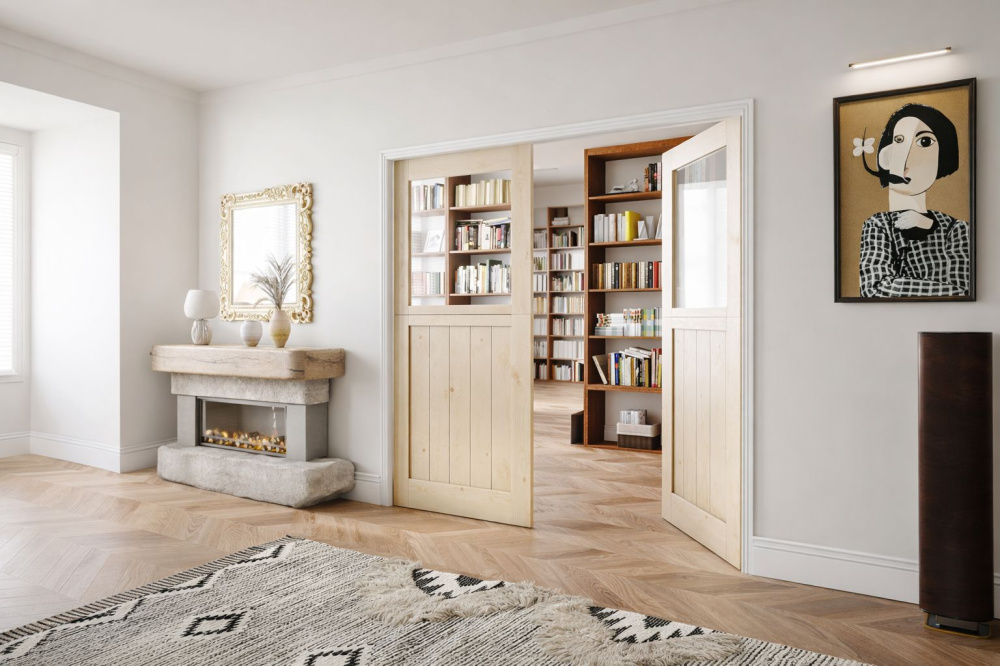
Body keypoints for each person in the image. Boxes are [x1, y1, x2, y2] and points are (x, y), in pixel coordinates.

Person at [855, 103, 970, 298]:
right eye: (899, 140)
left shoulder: (956, 229)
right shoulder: (877, 225)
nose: (905, 158)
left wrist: (931, 225)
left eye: (924, 142)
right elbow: (873, 289)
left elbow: (964, 290)